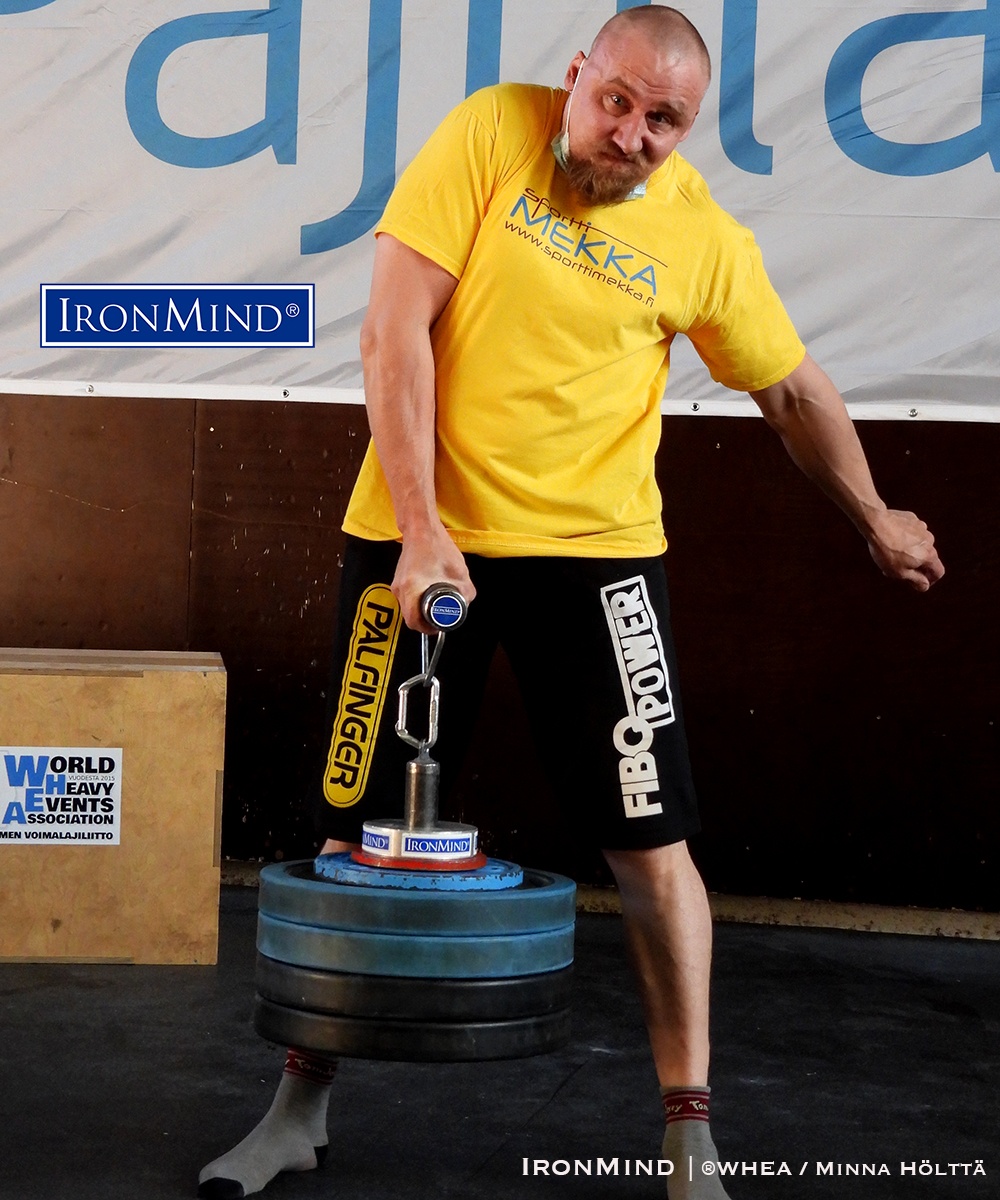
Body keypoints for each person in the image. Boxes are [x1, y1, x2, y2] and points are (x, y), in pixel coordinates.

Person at [198, 6, 944, 1198]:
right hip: (415, 541)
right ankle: (297, 1106)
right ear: (576, 76)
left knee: (651, 848)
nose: (633, 133)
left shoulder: (700, 238)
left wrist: (872, 518)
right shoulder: (489, 137)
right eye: (617, 101)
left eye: (666, 121)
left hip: (596, 560)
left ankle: (689, 1137)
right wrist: (424, 530)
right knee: (351, 837)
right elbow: (395, 332)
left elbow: (793, 389)